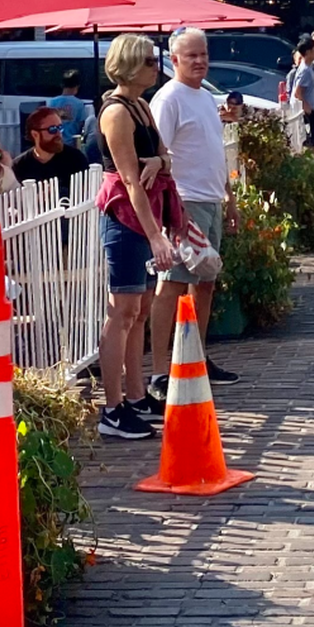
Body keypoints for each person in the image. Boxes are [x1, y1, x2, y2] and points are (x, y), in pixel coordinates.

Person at [149, 28, 241, 395]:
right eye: (191, 56)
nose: (200, 61)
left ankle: (196, 357)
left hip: (210, 200)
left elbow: (214, 152)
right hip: (183, 202)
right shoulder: (168, 99)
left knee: (205, 282)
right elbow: (159, 156)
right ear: (174, 60)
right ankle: (159, 371)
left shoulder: (204, 97)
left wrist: (229, 199)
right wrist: (171, 210)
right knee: (171, 283)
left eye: (203, 54)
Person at [95, 35, 176, 440]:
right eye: (147, 60)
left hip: (144, 215)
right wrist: (156, 237)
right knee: (122, 312)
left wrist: (160, 159)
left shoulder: (141, 106)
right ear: (128, 64)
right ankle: (111, 407)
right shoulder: (116, 112)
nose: (154, 66)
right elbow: (130, 180)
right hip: (126, 219)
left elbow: (163, 153)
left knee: (139, 311)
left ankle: (136, 392)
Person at [12, 107, 90, 196]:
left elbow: (86, 195)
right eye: (52, 129)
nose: (58, 134)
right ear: (35, 134)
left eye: (60, 128)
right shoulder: (20, 165)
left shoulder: (75, 158)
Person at [289, 37, 314, 156]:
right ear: (308, 52)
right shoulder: (305, 71)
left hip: (306, 109)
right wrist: (309, 111)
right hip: (305, 112)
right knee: (312, 143)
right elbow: (298, 93)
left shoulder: (306, 68)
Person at [47, 71, 89, 145]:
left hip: (54, 142)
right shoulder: (79, 103)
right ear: (77, 86)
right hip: (71, 143)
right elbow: (81, 124)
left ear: (62, 85)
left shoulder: (51, 102)